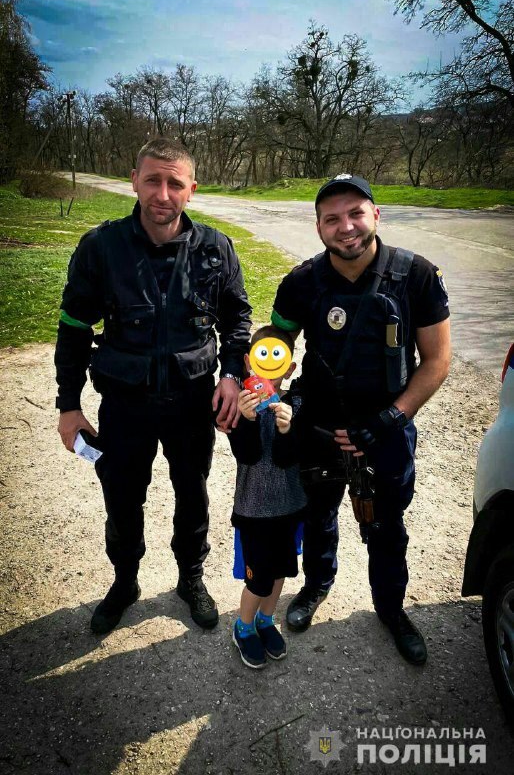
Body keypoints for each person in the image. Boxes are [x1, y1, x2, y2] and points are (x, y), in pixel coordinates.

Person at [55, 137, 251, 634]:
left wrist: (232, 376)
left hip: (192, 401)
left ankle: (191, 578)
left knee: (193, 494)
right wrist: (69, 404)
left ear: (191, 190)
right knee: (122, 497)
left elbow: (237, 319)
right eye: (152, 181)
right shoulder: (102, 247)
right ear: (134, 182)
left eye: (174, 184)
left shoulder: (215, 249)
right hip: (125, 403)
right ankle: (125, 581)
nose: (163, 194)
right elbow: (74, 326)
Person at [271, 174, 451, 665]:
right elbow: (276, 343)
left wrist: (391, 418)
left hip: (385, 429)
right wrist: (264, 376)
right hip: (320, 428)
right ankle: (315, 586)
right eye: (332, 218)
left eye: (355, 213)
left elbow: (437, 360)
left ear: (376, 215)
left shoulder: (417, 275)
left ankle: (391, 609)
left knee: (387, 525)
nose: (346, 226)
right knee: (318, 515)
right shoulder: (301, 282)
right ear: (318, 227)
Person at [228, 326, 306, 669]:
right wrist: (246, 420)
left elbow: (290, 458)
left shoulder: (295, 404)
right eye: (262, 358)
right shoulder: (242, 405)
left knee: (281, 571)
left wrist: (288, 429)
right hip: (254, 510)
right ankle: (243, 626)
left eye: (278, 360)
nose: (270, 368)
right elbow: (245, 455)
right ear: (249, 362)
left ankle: (265, 620)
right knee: (257, 578)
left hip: (289, 507)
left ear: (289, 367)